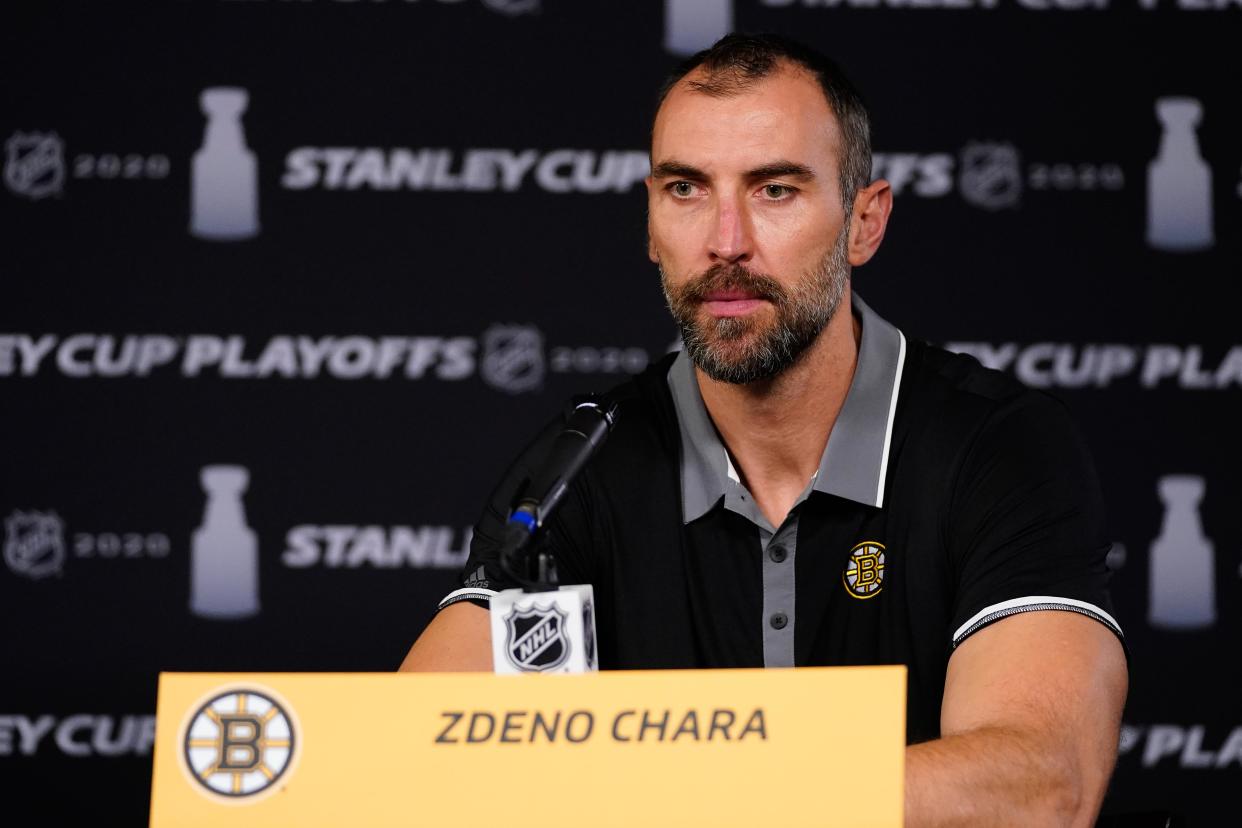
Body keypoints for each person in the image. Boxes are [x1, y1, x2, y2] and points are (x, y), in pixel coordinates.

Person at [400, 33, 1128, 826]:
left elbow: (1038, 787)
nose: (726, 242)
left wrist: (692, 796)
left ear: (864, 222)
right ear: (650, 221)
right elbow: (414, 761)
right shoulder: (578, 471)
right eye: (686, 189)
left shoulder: (999, 449)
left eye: (774, 190)